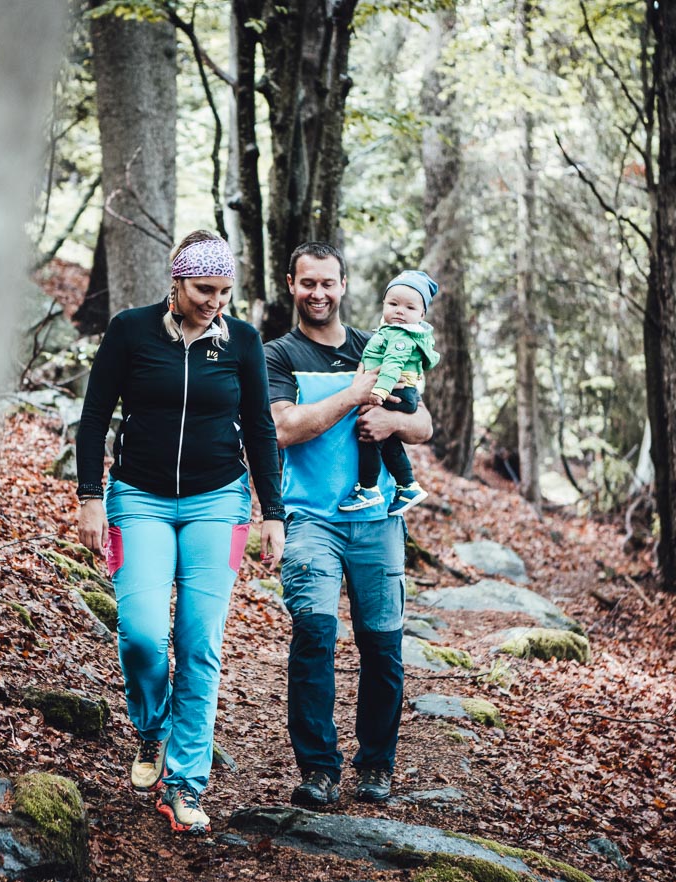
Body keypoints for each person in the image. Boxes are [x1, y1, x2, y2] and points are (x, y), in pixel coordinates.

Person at [76, 230, 285, 834]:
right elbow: (93, 420)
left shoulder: (243, 341)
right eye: (202, 290)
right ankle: (151, 728)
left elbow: (261, 430)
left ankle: (186, 784)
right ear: (176, 282)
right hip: (137, 500)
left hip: (219, 504)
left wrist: (272, 513)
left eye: (224, 291)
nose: (214, 302)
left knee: (199, 645)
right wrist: (92, 498)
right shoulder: (130, 330)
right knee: (141, 634)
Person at [264, 242, 433, 806]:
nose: (319, 293)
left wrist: (392, 420)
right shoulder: (278, 356)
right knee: (313, 637)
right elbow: (284, 429)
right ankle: (318, 770)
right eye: (308, 283)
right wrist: (356, 393)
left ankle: (376, 767)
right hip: (311, 520)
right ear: (292, 284)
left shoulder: (377, 343)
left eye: (328, 283)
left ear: (343, 285)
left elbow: (424, 424)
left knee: (382, 646)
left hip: (378, 520)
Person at [338, 270, 441, 516]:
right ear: (383, 304)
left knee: (369, 434)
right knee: (387, 437)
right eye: (393, 304)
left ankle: (368, 487)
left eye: (409, 307)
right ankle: (408, 485)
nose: (399, 311)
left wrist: (379, 393)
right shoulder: (389, 331)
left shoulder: (400, 335)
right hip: (402, 393)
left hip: (397, 393)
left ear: (421, 314)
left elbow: (393, 365)